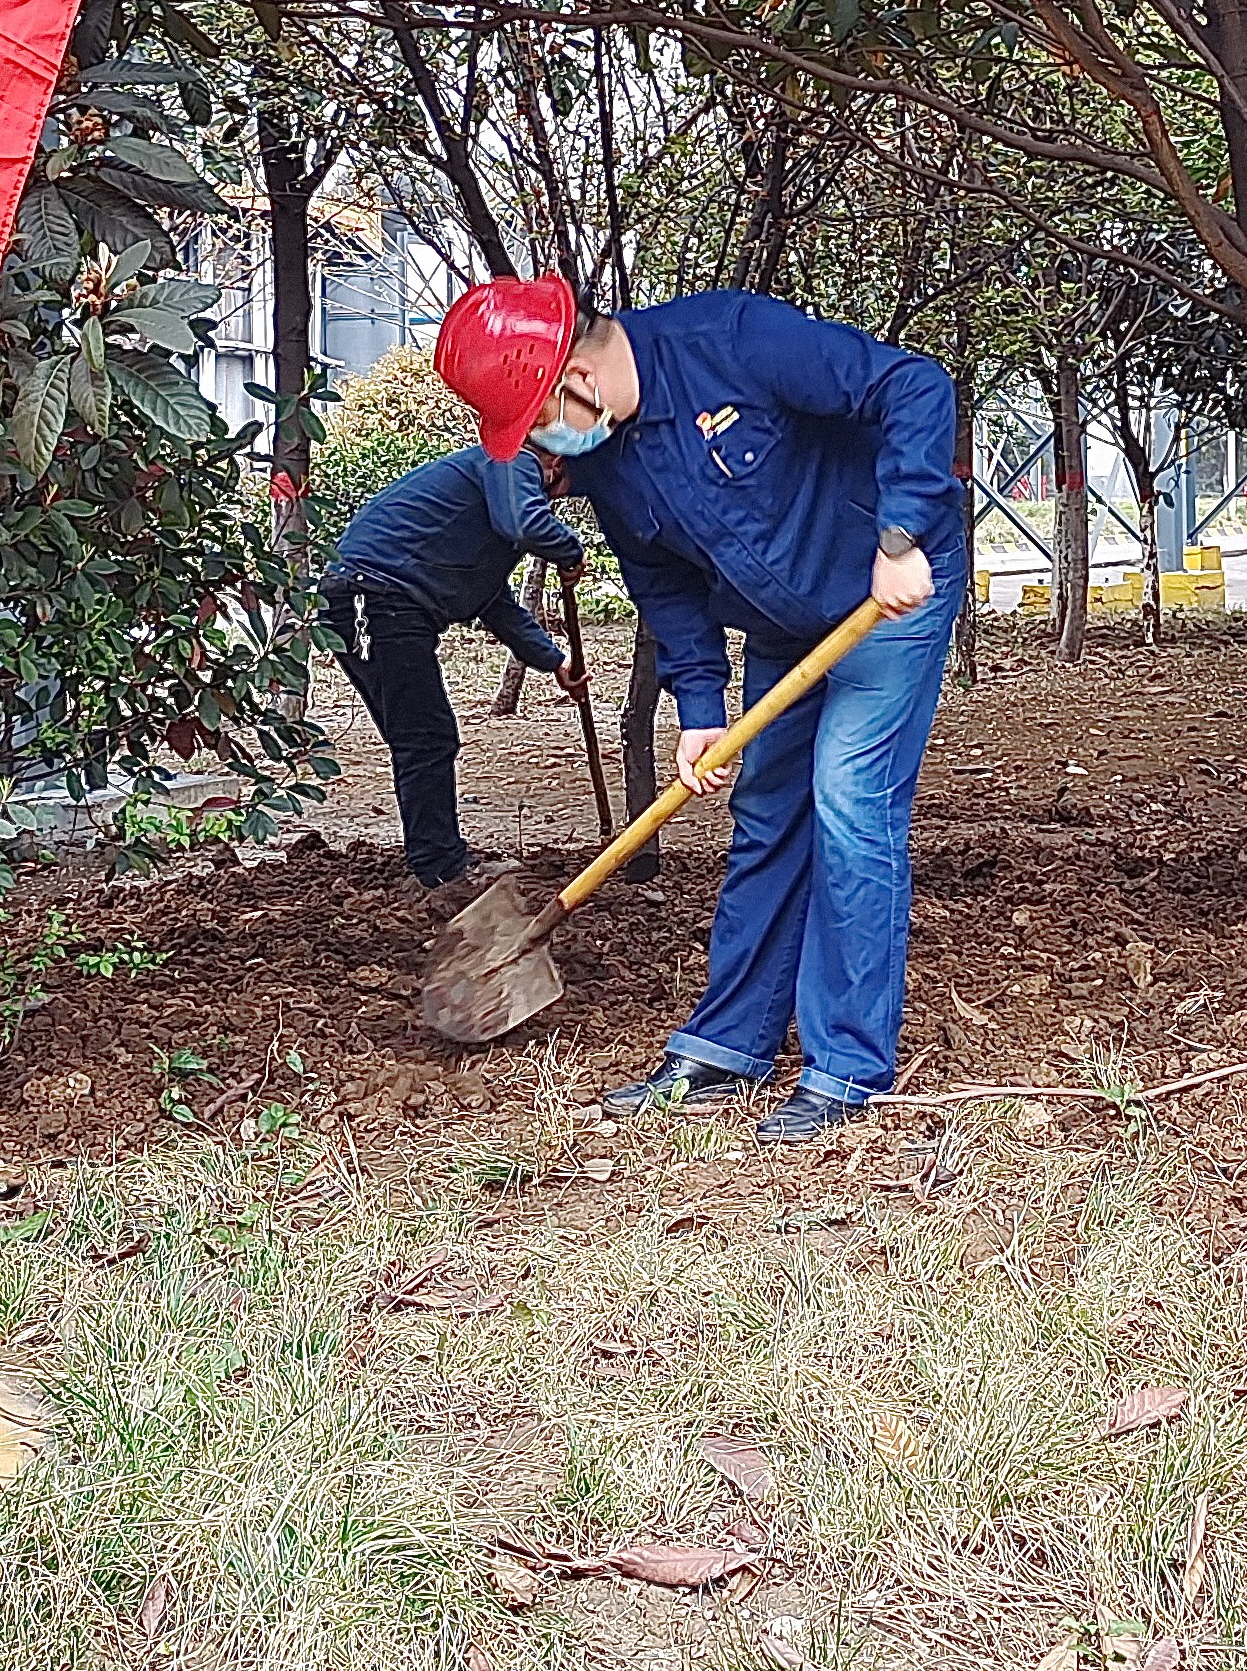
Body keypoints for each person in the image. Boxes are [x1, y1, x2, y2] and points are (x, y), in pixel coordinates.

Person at [433, 273, 965, 1146]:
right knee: (764, 814)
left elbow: (913, 384)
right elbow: (663, 582)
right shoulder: (606, 456)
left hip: (887, 593)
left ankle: (846, 1067)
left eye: (536, 423)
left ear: (578, 382)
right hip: (781, 625)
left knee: (849, 803)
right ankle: (727, 1045)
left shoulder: (735, 338)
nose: (546, 444)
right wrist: (700, 707)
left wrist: (901, 532)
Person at [322, 443, 587, 896]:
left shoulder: (489, 509)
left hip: (377, 599)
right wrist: (569, 549)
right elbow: (525, 523)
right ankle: (440, 869)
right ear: (556, 463)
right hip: (376, 598)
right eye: (559, 491)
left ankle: (437, 858)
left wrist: (554, 660)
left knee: (420, 739)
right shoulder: (511, 459)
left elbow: (492, 599)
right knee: (425, 738)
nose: (554, 502)